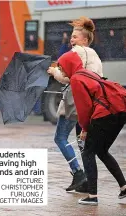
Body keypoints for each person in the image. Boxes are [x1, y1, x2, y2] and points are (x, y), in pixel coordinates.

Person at [57, 50, 126, 205]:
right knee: (101, 151)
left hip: (104, 114)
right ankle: (124, 187)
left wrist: (85, 129)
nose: (62, 71)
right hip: (119, 111)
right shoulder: (87, 73)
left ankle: (92, 196)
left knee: (88, 152)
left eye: (62, 67)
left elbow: (84, 108)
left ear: (69, 64)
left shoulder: (76, 79)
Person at [48, 16, 103, 193]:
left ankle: (78, 173)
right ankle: (87, 182)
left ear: (85, 39)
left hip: (74, 100)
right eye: (71, 37)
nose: (72, 40)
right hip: (90, 102)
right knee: (82, 142)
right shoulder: (95, 56)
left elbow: (66, 77)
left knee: (60, 138)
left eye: (75, 37)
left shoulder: (76, 52)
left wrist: (54, 71)